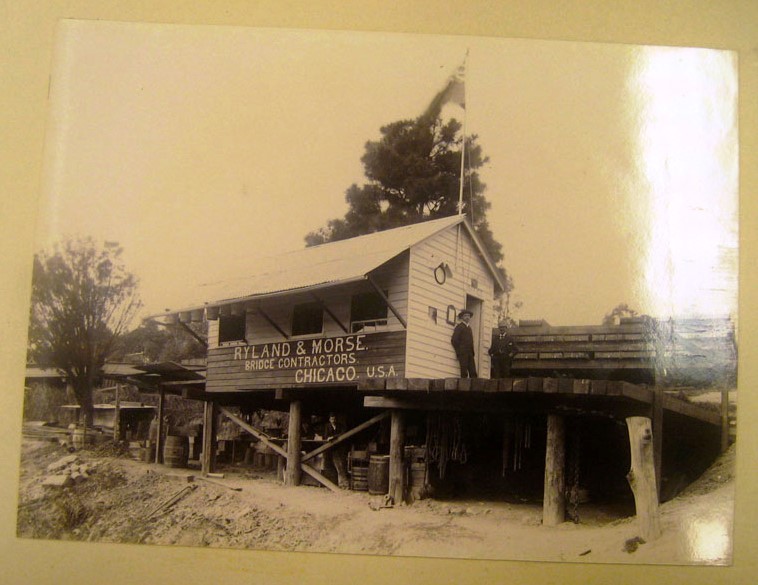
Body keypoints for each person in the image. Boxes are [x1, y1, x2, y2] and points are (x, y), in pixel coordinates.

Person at [323, 413, 349, 488]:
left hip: (338, 448)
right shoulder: (327, 426)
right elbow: (326, 436)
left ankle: (342, 484)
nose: (333, 420)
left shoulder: (339, 426)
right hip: (329, 448)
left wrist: (334, 437)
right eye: (331, 419)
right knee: (329, 466)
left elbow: (342, 433)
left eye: (334, 419)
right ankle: (330, 483)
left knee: (340, 465)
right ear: (329, 420)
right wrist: (329, 438)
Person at [451, 309, 478, 378]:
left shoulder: (469, 328)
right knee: (464, 372)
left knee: (473, 371)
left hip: (470, 353)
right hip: (463, 353)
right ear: (462, 317)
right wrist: (459, 351)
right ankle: (463, 387)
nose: (467, 317)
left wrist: (472, 352)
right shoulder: (460, 327)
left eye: (468, 316)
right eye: (465, 316)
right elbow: (454, 340)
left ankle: (474, 387)